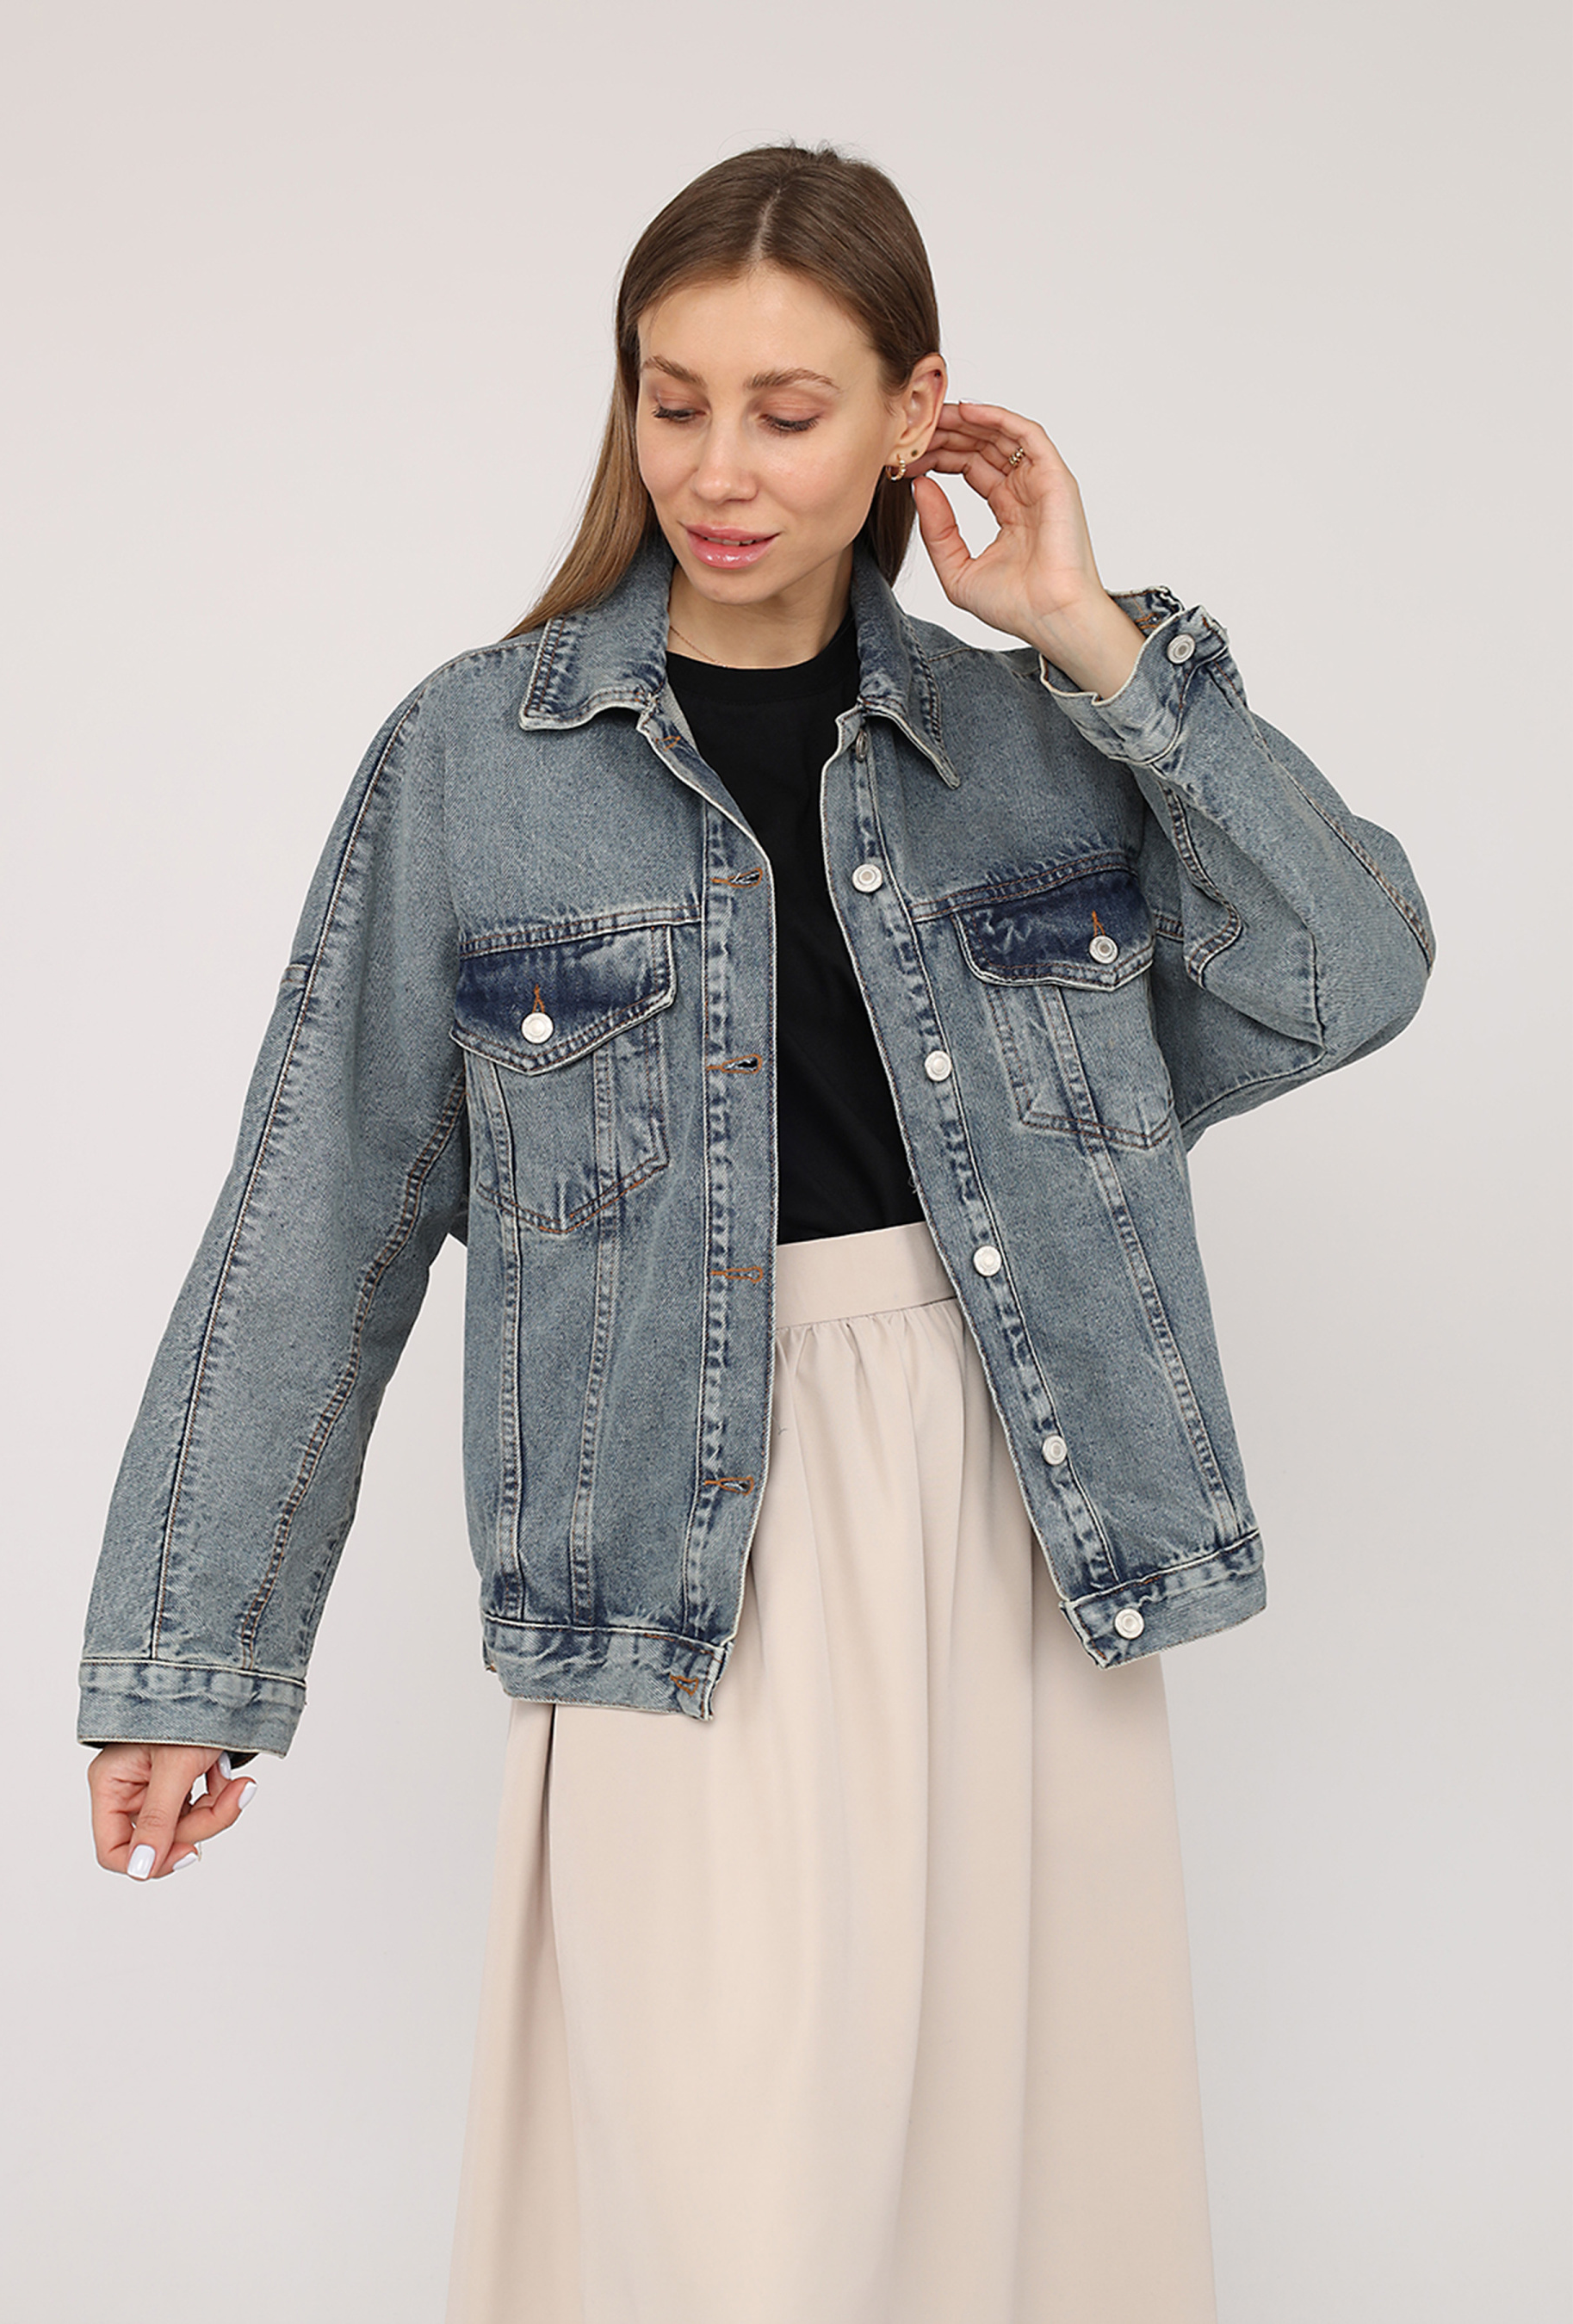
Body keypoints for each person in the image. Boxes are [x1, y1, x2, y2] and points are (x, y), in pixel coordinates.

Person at [79, 142, 1434, 2321]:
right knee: (714, 2216)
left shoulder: (1031, 743)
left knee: (1025, 2206)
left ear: (912, 417)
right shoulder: (476, 754)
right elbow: (319, 1207)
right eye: (672, 399)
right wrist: (189, 1663)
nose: (717, 468)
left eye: (788, 411)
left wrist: (1094, 638)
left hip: (1012, 1510)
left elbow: (1340, 975)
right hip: (665, 1526)